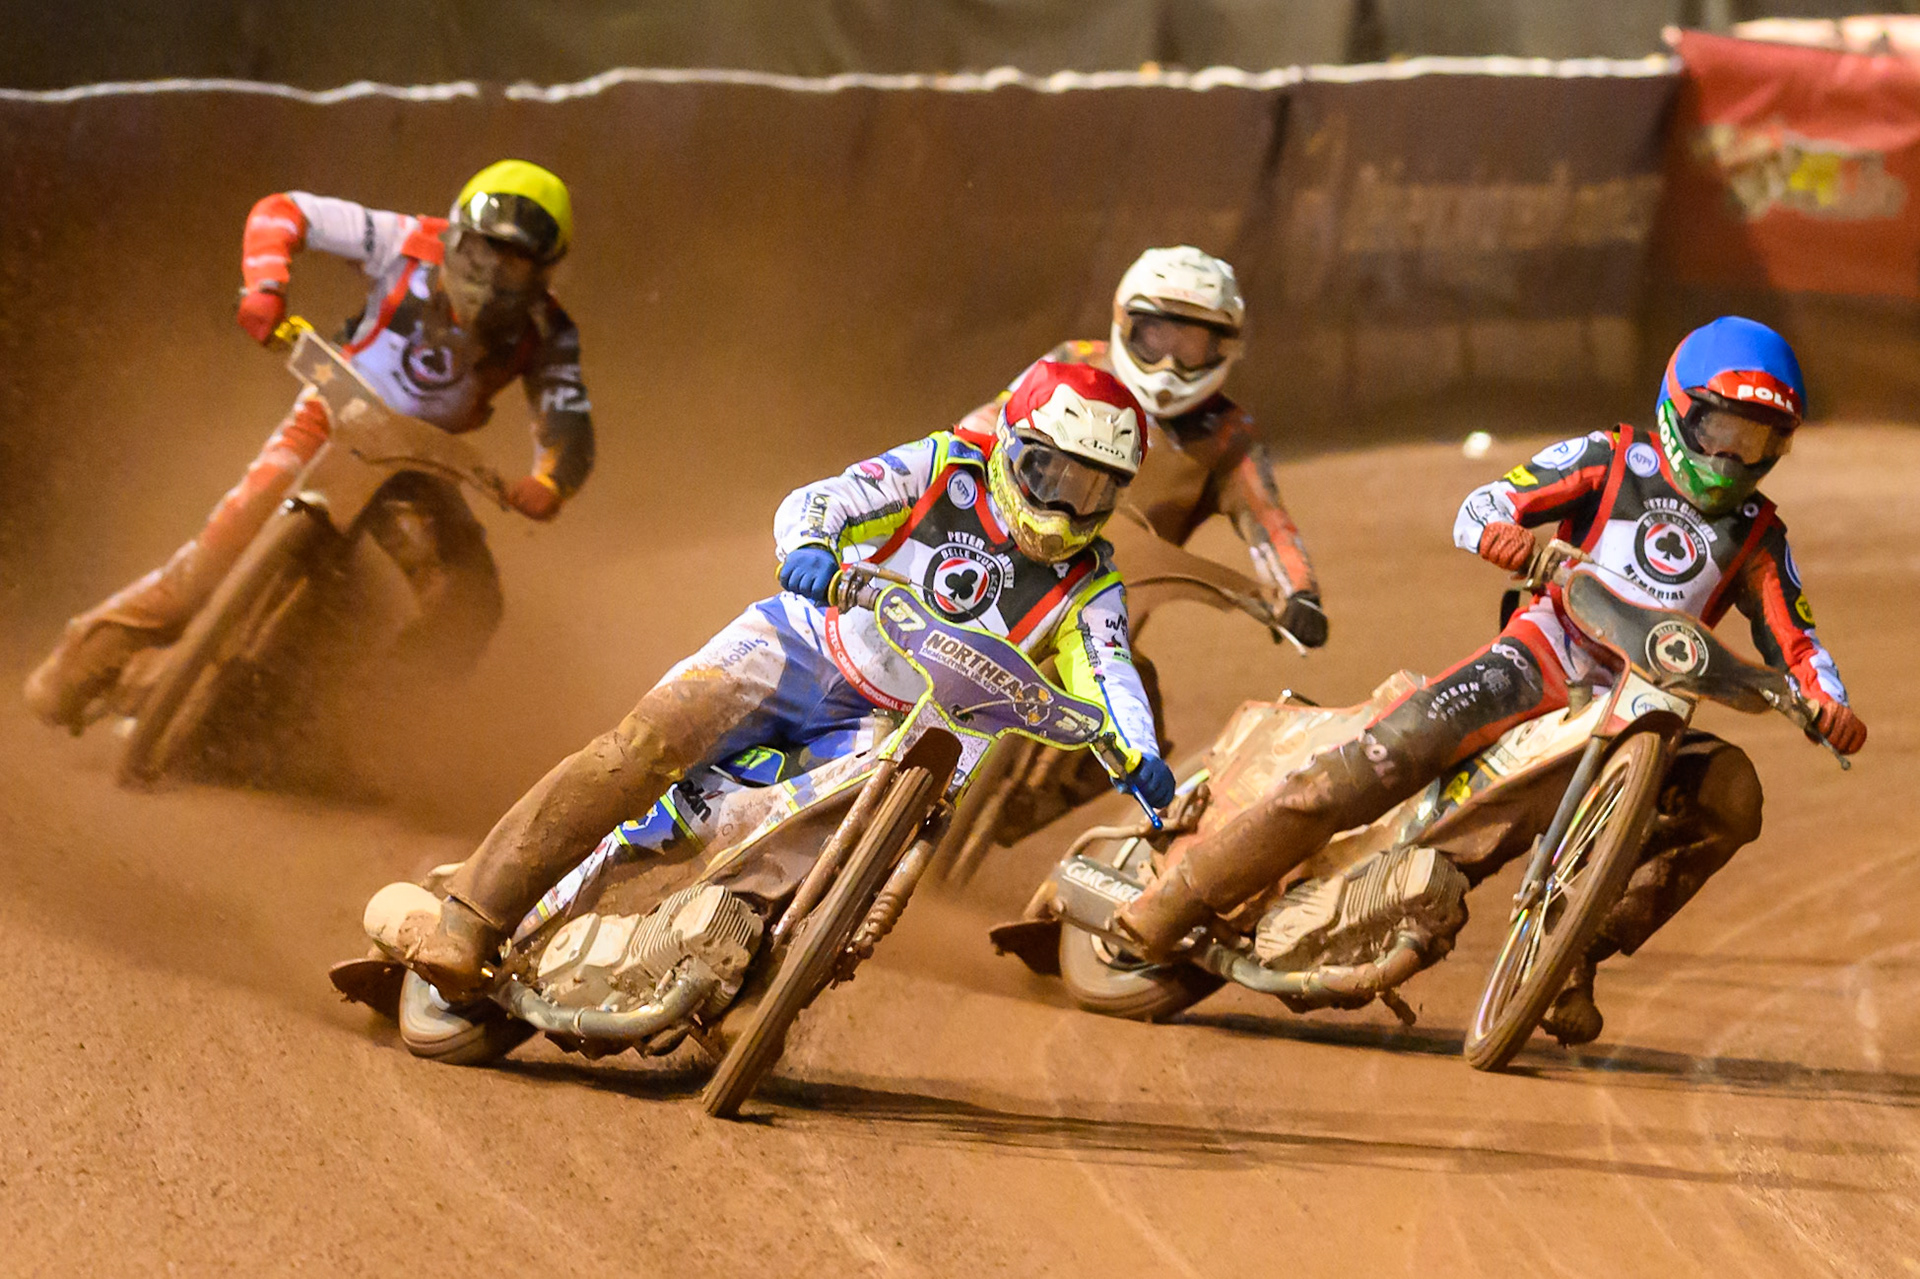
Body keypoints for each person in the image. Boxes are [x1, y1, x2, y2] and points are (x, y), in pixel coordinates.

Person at [1113, 316, 1867, 1044]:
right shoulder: (1613, 456)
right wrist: (1510, 539)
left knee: (1731, 795)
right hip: (1544, 657)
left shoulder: (1760, 534)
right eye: (1720, 432)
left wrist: (1826, 702)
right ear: (1680, 408)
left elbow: (1797, 637)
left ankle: (1575, 950)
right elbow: (1482, 506)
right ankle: (1170, 900)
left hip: (1650, 707)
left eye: (1757, 441)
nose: (1732, 459)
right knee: (1388, 752)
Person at [404, 361, 1177, 999]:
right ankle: (472, 914)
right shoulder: (945, 468)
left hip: (903, 728)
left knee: (820, 861)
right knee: (638, 752)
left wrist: (1137, 751)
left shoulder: (1088, 586)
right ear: (1011, 445)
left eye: (1094, 490)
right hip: (798, 642)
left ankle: (727, 977)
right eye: (1049, 472)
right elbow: (829, 497)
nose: (1064, 504)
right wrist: (810, 545)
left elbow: (1110, 671)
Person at [23, 160, 593, 730]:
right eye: (483, 251)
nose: (491, 274)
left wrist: (551, 481)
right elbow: (285, 212)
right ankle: (75, 668)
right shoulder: (407, 242)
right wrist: (265, 288)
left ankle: (368, 732)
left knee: (469, 602)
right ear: (454, 233)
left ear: (544, 273)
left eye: (514, 263)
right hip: (331, 421)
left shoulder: (549, 331)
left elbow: (567, 417)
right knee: (211, 560)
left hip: (420, 466)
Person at [958, 245, 1325, 646]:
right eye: (1156, 338)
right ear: (1125, 324)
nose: (1170, 364)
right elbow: (984, 425)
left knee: (1135, 697)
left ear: (1222, 347)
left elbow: (1268, 518)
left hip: (1093, 615)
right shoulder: (1075, 363)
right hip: (993, 563)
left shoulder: (1226, 435)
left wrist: (1300, 594)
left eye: (1190, 346)